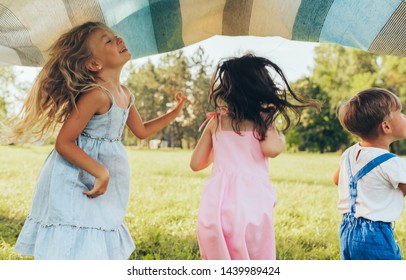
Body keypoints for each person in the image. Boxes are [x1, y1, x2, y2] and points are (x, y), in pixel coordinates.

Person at [9, 21, 186, 259]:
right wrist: (100, 172)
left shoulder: (125, 93)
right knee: (75, 231)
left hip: (102, 175)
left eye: (115, 37)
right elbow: (64, 142)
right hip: (75, 175)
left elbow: (141, 130)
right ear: (94, 63)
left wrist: (174, 113)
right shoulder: (96, 94)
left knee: (97, 227)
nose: (119, 40)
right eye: (109, 41)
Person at [190, 53, 320, 260]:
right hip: (250, 202)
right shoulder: (263, 120)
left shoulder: (216, 122)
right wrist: (281, 137)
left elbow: (196, 164)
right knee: (255, 256)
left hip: (216, 205)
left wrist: (225, 149)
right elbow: (272, 149)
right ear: (261, 86)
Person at [333, 88, 406, 260]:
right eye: (401, 114)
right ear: (386, 127)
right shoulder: (391, 162)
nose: (405, 117)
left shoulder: (349, 153)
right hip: (375, 234)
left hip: (347, 229)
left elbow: (336, 179)